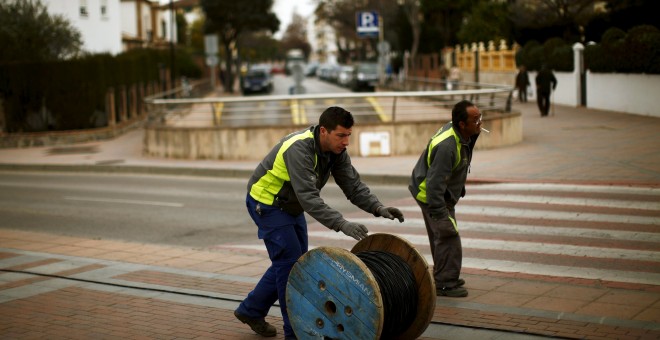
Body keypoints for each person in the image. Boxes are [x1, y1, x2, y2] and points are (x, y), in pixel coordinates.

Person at [234, 106, 405, 339]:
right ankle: (293, 333)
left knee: (293, 263)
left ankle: (251, 310)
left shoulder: (336, 152)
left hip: (291, 205)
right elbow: (309, 199)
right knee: (291, 268)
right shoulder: (299, 149)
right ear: (324, 131)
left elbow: (353, 186)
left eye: (348, 136)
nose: (346, 142)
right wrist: (342, 224)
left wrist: (378, 207)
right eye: (341, 136)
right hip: (267, 204)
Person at [409, 100, 481, 298]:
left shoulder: (461, 135)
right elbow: (434, 185)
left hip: (440, 192)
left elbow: (457, 164)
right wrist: (441, 215)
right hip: (431, 194)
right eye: (475, 120)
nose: (480, 122)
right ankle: (445, 284)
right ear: (462, 125)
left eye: (480, 117)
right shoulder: (448, 146)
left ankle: (444, 276)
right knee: (448, 235)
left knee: (441, 236)